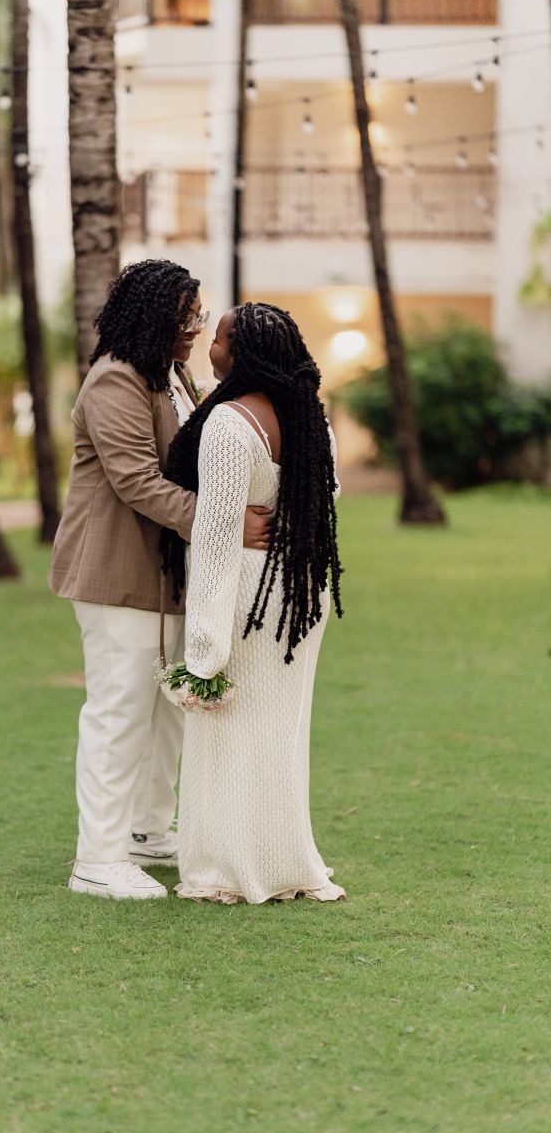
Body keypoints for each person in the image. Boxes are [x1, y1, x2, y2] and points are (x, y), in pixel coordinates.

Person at [49, 262, 272, 901]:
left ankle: (146, 833)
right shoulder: (115, 380)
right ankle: (98, 858)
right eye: (186, 318)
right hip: (113, 573)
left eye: (199, 317)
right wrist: (226, 524)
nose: (195, 330)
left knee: (166, 712)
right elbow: (137, 483)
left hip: (167, 574)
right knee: (120, 712)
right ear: (151, 317)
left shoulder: (172, 376)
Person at [161, 303, 346, 904]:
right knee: (280, 733)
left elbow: (215, 542)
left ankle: (228, 869)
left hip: (246, 595)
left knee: (227, 734)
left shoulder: (229, 424)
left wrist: (204, 651)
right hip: (298, 594)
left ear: (241, 355)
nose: (210, 347)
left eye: (218, 339)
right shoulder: (313, 422)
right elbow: (321, 505)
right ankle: (283, 860)